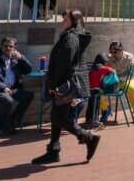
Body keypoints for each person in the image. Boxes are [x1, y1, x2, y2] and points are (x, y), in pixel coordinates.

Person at [32, 10, 100, 165]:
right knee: (57, 115)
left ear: (73, 21)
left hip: (66, 84)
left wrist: (53, 85)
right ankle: (53, 151)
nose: (62, 22)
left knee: (59, 117)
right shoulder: (74, 36)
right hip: (70, 83)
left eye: (65, 20)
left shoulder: (70, 37)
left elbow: (64, 63)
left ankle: (88, 137)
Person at [0, 36, 34, 135]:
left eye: (10, 46)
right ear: (1, 46)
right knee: (7, 100)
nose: (8, 48)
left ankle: (12, 121)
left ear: (14, 48)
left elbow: (28, 70)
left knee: (28, 95)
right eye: (5, 46)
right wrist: (3, 87)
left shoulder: (15, 58)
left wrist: (21, 58)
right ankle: (5, 127)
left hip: (11, 89)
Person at [106, 41, 134, 123]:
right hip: (115, 81)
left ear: (120, 50)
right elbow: (108, 72)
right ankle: (105, 110)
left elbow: (132, 73)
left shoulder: (129, 57)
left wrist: (117, 76)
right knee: (100, 89)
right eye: (111, 51)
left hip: (128, 80)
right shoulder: (110, 58)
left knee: (132, 88)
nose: (112, 54)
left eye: (114, 52)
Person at [85, 53, 116, 129]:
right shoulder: (101, 67)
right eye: (105, 61)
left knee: (91, 105)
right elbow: (113, 71)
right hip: (96, 89)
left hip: (89, 89)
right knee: (95, 105)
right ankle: (93, 120)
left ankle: (89, 119)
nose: (106, 62)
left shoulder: (93, 67)